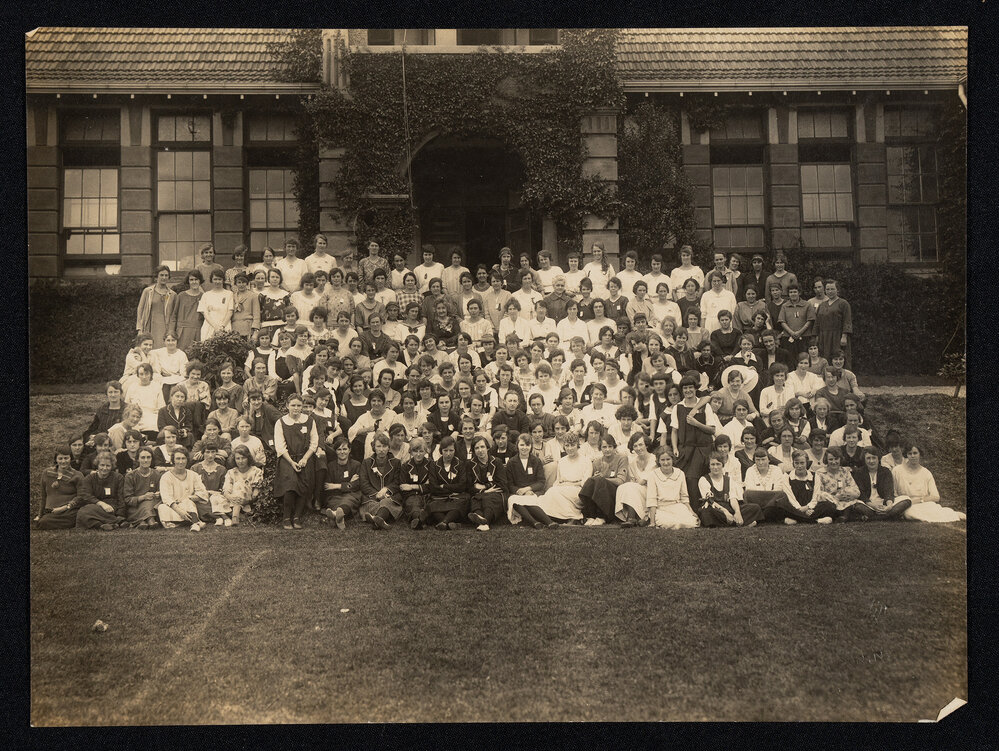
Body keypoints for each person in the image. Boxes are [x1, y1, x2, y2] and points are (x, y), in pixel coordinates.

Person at [509, 430, 590, 527]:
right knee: (551, 491)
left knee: (554, 492)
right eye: (567, 445)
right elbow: (558, 480)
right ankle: (549, 520)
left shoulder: (586, 461)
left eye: (572, 445)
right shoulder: (562, 461)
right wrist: (557, 486)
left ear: (578, 445)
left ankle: (574, 517)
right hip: (561, 488)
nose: (570, 448)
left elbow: (585, 483)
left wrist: (567, 485)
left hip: (577, 489)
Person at [273, 394, 318, 529]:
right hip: (288, 458)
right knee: (291, 483)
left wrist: (305, 458)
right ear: (287, 406)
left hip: (305, 457)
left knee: (304, 482)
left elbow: (314, 443)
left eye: (299, 406)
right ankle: (287, 517)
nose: (296, 408)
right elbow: (280, 447)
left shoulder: (309, 421)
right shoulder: (281, 422)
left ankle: (297, 516)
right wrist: (292, 462)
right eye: (293, 405)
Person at [891, 443, 966, 522]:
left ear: (920, 454)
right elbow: (893, 492)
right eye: (910, 453)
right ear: (906, 455)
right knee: (909, 513)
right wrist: (905, 502)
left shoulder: (926, 473)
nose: (912, 456)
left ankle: (953, 514)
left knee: (931, 510)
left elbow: (936, 497)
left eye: (915, 453)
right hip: (904, 505)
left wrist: (919, 500)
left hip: (923, 503)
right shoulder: (897, 471)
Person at [696, 451, 763, 527]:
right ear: (709, 466)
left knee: (755, 507)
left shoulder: (728, 480)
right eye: (712, 464)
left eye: (718, 464)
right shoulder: (704, 479)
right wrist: (725, 512)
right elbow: (709, 501)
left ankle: (733, 521)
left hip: (729, 507)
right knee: (705, 512)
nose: (715, 467)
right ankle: (740, 523)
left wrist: (738, 513)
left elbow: (733, 498)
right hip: (715, 507)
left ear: (722, 465)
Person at [156, 447, 213, 531]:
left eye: (183, 458)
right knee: (162, 507)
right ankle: (194, 521)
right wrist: (179, 510)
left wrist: (188, 498)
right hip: (173, 506)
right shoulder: (166, 477)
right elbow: (166, 497)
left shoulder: (193, 475)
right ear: (173, 460)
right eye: (178, 458)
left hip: (188, 504)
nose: (181, 462)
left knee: (187, 502)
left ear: (187, 460)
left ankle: (193, 523)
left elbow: (203, 493)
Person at [577, 434, 629, 525]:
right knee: (591, 481)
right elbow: (594, 484)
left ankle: (602, 516)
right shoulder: (597, 462)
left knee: (600, 481)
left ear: (614, 447)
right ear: (600, 448)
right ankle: (591, 515)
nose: (607, 449)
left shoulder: (621, 458)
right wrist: (596, 477)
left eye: (610, 446)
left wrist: (603, 478)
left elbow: (620, 481)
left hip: (615, 493)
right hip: (600, 491)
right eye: (604, 447)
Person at [848, 447, 911, 521]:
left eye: (874, 458)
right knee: (856, 505)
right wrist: (873, 505)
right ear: (864, 459)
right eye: (868, 458)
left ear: (878, 459)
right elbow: (861, 494)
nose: (871, 461)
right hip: (868, 504)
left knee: (907, 500)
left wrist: (889, 506)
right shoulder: (859, 472)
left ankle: (873, 518)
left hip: (884, 503)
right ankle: (889, 517)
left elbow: (889, 491)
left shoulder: (885, 471)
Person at [34, 446, 86, 529]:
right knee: (42, 522)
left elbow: (81, 496)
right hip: (52, 511)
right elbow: (44, 496)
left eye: (66, 458)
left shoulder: (78, 475)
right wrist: (39, 515)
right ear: (56, 459)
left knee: (80, 515)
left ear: (70, 458)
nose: (63, 461)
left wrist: (65, 507)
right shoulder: (46, 473)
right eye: (60, 458)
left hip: (69, 510)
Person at [645, 449, 698, 529]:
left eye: (668, 459)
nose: (666, 463)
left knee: (691, 522)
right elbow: (651, 499)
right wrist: (652, 522)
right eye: (662, 460)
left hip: (677, 506)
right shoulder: (653, 475)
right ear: (658, 461)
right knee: (670, 523)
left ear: (673, 460)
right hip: (661, 508)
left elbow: (684, 497)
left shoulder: (680, 473)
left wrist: (691, 511)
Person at [811, 446, 864, 520]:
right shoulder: (820, 473)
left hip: (847, 500)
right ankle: (847, 516)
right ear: (826, 459)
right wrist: (836, 498)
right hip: (831, 502)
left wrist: (846, 493)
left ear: (840, 459)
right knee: (829, 506)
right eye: (831, 459)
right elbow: (819, 494)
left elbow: (855, 489)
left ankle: (845, 516)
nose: (834, 462)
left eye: (836, 459)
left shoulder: (845, 471)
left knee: (859, 506)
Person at [466, 435, 508, 530]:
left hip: (496, 492)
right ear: (473, 451)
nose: (480, 450)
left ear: (487, 448)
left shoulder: (496, 462)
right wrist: (484, 491)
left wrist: (485, 487)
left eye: (482, 447)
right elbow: (468, 486)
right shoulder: (470, 464)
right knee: (475, 500)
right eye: (476, 448)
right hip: (479, 494)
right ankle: (482, 521)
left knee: (488, 499)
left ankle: (484, 521)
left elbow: (502, 483)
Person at [616, 433, 657, 526]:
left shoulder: (654, 459)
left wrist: (633, 470)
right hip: (638, 490)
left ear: (646, 444)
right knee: (623, 487)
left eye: (641, 444)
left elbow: (642, 481)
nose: (638, 448)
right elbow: (634, 481)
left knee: (630, 487)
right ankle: (632, 518)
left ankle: (632, 518)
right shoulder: (633, 462)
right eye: (635, 446)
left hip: (651, 492)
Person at [814, 279, 853, 367]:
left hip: (837, 336)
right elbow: (817, 322)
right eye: (828, 289)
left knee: (839, 357)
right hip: (824, 337)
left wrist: (844, 336)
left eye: (832, 289)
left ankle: (843, 378)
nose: (830, 291)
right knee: (825, 357)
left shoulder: (843, 303)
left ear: (837, 290)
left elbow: (847, 320)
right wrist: (816, 336)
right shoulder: (822, 305)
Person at [136, 265, 176, 348]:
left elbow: (174, 315)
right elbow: (140, 309)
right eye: (161, 275)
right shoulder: (148, 291)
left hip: (165, 328)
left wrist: (171, 331)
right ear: (156, 276)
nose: (164, 277)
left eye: (166, 275)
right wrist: (140, 328)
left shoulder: (173, 294)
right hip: (149, 326)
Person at [122, 446, 162, 528]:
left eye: (148, 457)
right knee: (146, 503)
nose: (146, 460)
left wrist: (158, 494)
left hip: (152, 504)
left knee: (150, 502)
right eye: (143, 457)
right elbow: (128, 499)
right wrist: (143, 497)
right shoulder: (130, 476)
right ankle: (150, 520)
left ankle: (142, 522)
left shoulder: (156, 474)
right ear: (137, 459)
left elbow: (161, 493)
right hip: (135, 507)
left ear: (152, 459)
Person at [166, 270, 204, 353]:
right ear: (188, 281)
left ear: (200, 281)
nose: (194, 282)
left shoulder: (204, 296)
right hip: (182, 332)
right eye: (191, 280)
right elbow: (174, 316)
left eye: (196, 279)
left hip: (197, 332)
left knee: (196, 356)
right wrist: (171, 332)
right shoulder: (181, 296)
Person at [198, 269, 233, 340]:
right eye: (215, 279)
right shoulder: (206, 295)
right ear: (212, 280)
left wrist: (222, 327)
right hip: (209, 326)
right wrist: (215, 327)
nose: (217, 281)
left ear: (223, 280)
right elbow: (205, 314)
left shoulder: (229, 294)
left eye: (219, 279)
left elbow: (230, 312)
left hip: (224, 327)